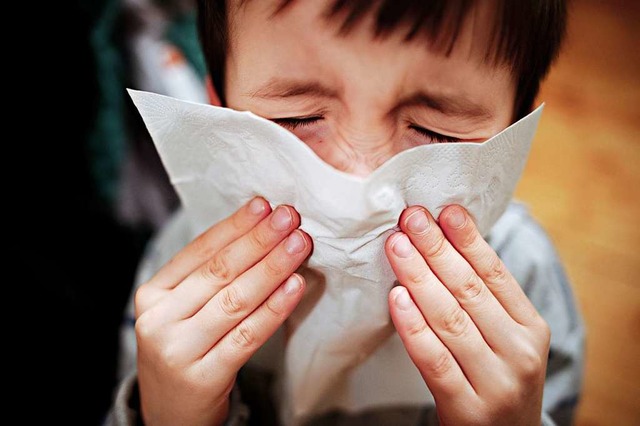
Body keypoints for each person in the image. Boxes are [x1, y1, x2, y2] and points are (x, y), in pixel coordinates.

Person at [107, 1, 585, 425]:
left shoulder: (525, 276)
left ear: (513, 132)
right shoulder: (180, 273)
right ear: (219, 108)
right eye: (297, 118)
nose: (361, 184)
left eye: (436, 132)